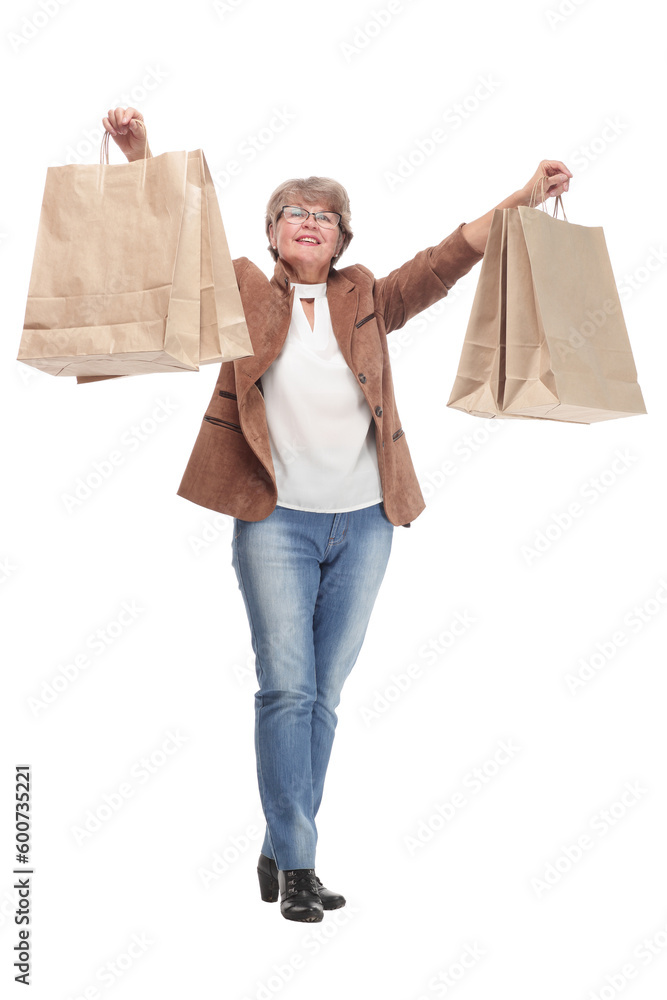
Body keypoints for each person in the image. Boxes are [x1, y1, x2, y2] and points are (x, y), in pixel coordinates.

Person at [103, 106, 572, 923]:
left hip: (365, 521)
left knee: (323, 693)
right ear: (274, 234)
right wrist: (142, 154)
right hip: (274, 521)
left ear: (342, 238)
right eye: (294, 213)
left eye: (324, 215)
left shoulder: (367, 299)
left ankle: (280, 841)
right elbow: (187, 240)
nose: (309, 222)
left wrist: (524, 198)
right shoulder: (244, 290)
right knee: (286, 690)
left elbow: (448, 258)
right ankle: (301, 870)